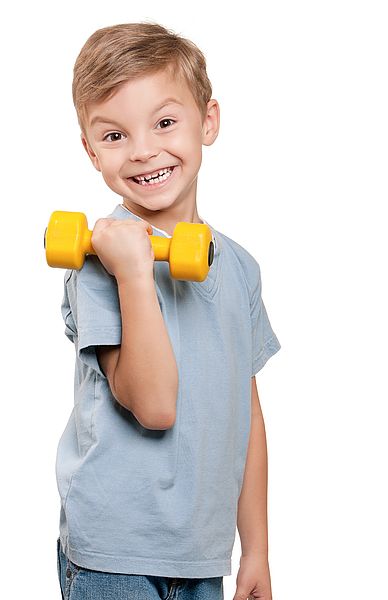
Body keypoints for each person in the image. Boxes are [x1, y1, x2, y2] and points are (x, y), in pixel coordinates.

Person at [55, 22, 281, 600]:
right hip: (116, 553)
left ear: (208, 121)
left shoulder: (240, 268)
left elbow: (246, 412)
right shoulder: (100, 256)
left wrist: (254, 549)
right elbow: (153, 405)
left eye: (164, 122)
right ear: (90, 150)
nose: (143, 151)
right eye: (113, 135)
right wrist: (133, 271)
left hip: (202, 554)